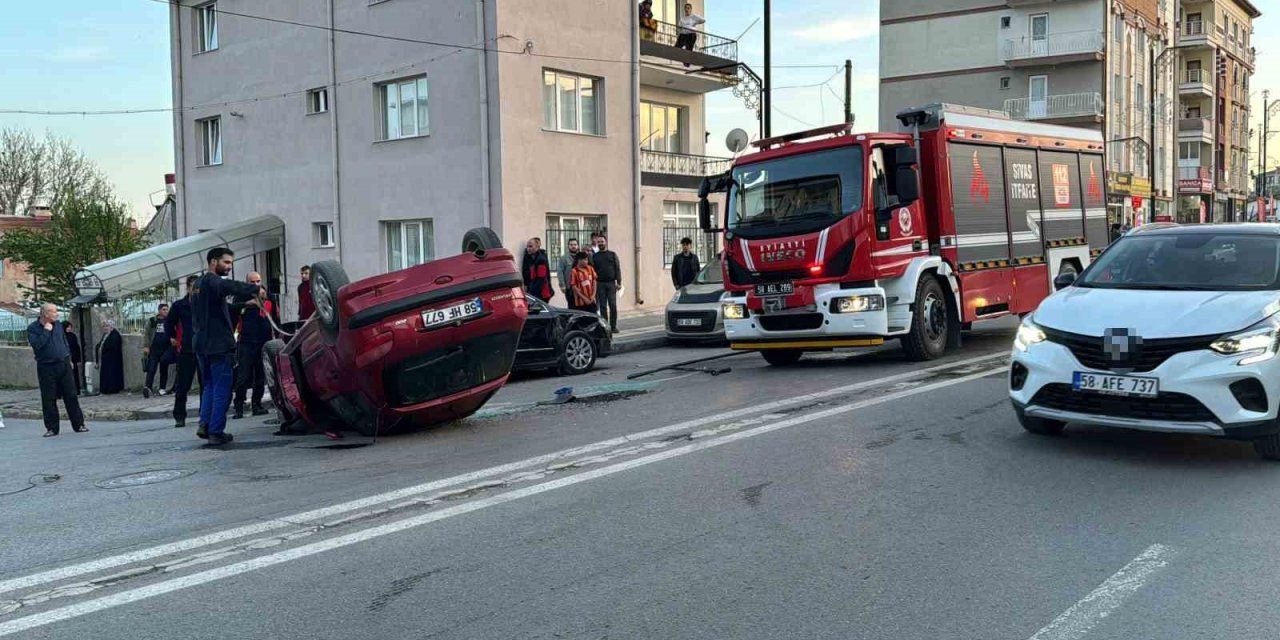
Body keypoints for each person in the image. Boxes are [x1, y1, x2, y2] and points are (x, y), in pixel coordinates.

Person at [193, 248, 267, 445]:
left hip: (202, 344)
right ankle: (216, 431)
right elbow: (230, 286)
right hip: (218, 345)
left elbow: (218, 310)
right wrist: (254, 289)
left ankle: (204, 424)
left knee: (209, 385)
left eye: (230, 263)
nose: (229, 267)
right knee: (222, 388)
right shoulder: (212, 281)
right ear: (213, 261)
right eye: (226, 263)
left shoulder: (199, 284)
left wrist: (247, 305)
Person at [27, 304, 87, 437]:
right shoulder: (33, 328)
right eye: (53, 312)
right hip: (46, 366)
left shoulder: (59, 325)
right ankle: (52, 428)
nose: (57, 314)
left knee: (71, 395)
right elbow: (37, 345)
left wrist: (69, 358)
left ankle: (79, 424)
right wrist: (46, 331)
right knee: (49, 398)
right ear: (44, 314)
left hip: (63, 363)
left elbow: (64, 342)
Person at [232, 271, 275, 420]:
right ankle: (239, 406)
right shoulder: (242, 296)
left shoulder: (267, 297)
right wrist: (247, 304)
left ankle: (257, 404)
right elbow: (232, 309)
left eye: (258, 281)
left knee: (260, 376)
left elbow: (274, 318)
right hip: (246, 341)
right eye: (252, 282)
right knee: (243, 375)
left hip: (263, 340)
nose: (256, 285)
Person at [167, 275, 201, 430]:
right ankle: (179, 416)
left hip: (204, 348)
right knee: (182, 385)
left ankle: (205, 415)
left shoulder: (205, 303)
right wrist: (172, 338)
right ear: (188, 288)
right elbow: (169, 324)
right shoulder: (179, 305)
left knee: (206, 384)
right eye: (193, 287)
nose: (196, 290)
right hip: (186, 349)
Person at [591, 234, 622, 333]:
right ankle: (606, 326)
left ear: (606, 242)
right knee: (603, 307)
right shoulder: (594, 256)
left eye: (602, 241)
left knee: (613, 305)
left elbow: (617, 269)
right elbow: (592, 271)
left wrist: (619, 282)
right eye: (599, 242)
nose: (600, 243)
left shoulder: (612, 254)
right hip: (600, 284)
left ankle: (613, 326)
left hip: (611, 284)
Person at [142, 304, 173, 398]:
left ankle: (162, 388)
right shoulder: (152, 320)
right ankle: (148, 387)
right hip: (154, 349)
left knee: (164, 370)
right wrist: (146, 346)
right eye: (164, 310)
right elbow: (146, 333)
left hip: (166, 349)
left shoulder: (170, 320)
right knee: (151, 369)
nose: (166, 311)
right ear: (159, 310)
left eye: (167, 310)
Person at [95, 320, 124, 395]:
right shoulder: (106, 334)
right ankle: (105, 389)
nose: (106, 328)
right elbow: (101, 343)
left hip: (112, 359)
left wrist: (104, 348)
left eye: (107, 326)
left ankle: (112, 389)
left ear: (112, 327)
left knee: (111, 374)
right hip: (106, 359)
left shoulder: (115, 335)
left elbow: (113, 346)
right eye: (105, 326)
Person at [522, 237, 555, 302]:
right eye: (527, 246)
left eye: (531, 246)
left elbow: (541, 279)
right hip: (534, 291)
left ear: (537, 247)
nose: (528, 248)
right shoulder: (530, 257)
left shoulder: (541, 260)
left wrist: (533, 293)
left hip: (541, 293)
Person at [557, 238, 581, 303]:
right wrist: (562, 285)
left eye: (575, 244)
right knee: (571, 305)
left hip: (581, 286)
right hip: (569, 287)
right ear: (568, 246)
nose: (573, 246)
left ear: (578, 246)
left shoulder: (581, 257)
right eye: (571, 245)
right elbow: (560, 272)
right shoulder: (563, 258)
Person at [64, 322, 82, 396]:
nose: (69, 329)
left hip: (74, 358)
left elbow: (77, 347)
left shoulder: (72, 335)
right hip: (65, 358)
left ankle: (76, 390)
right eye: (68, 327)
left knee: (74, 375)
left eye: (70, 327)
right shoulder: (62, 336)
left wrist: (78, 359)